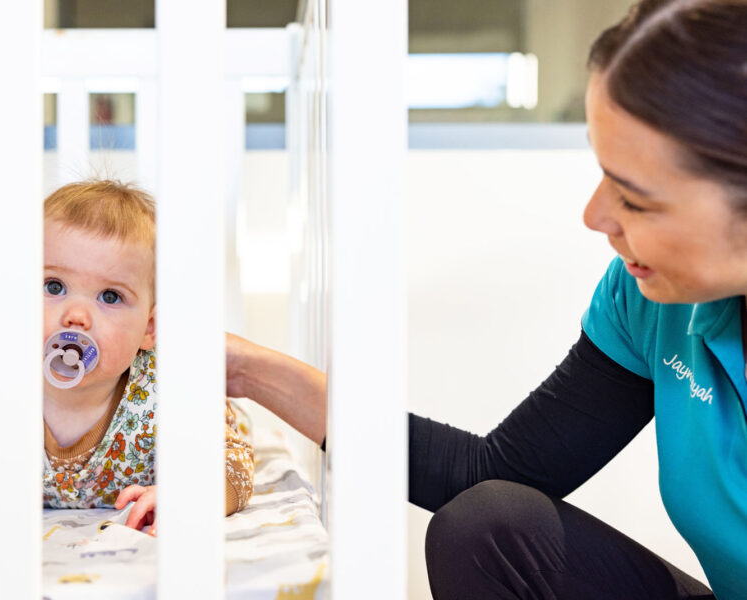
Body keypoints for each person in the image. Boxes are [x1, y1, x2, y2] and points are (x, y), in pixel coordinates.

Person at [226, 0, 747, 598]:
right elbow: (493, 474)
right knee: (491, 527)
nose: (595, 216)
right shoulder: (652, 299)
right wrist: (245, 369)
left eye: (635, 198)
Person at [0, 179, 254, 535]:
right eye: (53, 285)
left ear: (150, 329)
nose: (76, 316)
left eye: (110, 296)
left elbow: (230, 457)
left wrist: (192, 495)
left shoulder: (167, 388)